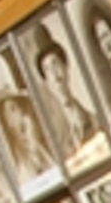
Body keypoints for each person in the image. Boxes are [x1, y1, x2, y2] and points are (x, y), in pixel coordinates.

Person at [32, 31, 104, 160]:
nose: (54, 73)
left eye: (55, 63)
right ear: (46, 82)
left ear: (65, 67)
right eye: (47, 69)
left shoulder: (92, 118)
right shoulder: (51, 132)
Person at [0, 63, 57, 187]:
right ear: (5, 121)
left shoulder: (38, 142)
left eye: (17, 108)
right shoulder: (13, 160)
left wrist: (33, 143)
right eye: (10, 111)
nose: (18, 115)